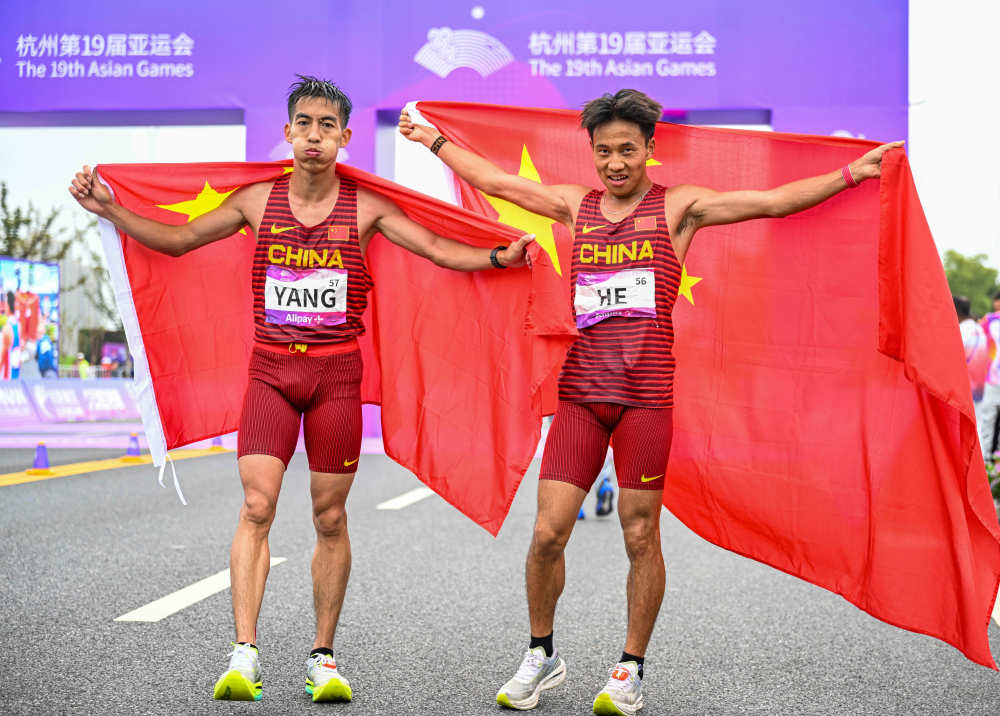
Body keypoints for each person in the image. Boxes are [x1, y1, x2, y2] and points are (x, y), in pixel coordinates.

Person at [400, 89, 902, 715]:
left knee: (640, 534)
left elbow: (771, 202)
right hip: (581, 397)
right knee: (548, 532)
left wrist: (852, 173)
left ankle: (629, 668)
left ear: (649, 149)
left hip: (646, 400)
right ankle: (541, 654)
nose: (615, 163)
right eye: (604, 152)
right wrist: (434, 141)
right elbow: (498, 183)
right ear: (592, 152)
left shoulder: (679, 208)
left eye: (627, 150)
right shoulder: (575, 205)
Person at [70, 75, 532, 705]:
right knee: (256, 507)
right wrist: (110, 210)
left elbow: (436, 250)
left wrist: (501, 258)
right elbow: (178, 241)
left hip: (336, 378)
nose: (315, 135)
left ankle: (323, 656)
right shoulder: (257, 201)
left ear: (345, 137)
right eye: (304, 124)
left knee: (330, 516)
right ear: (288, 133)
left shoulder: (366, 208)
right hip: (270, 375)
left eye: (327, 126)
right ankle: (244, 652)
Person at [979, 290, 1000, 466]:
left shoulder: (988, 320)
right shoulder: (989, 320)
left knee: (989, 419)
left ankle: (992, 461)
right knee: (988, 418)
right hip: (991, 377)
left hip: (992, 377)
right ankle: (986, 460)